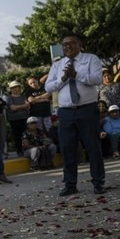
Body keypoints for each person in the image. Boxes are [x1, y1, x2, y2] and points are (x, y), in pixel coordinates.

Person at [44, 33, 105, 196]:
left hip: (87, 109)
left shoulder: (91, 59)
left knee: (93, 147)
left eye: (71, 43)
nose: (67, 46)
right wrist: (63, 78)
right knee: (67, 148)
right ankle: (70, 184)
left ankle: (98, 182)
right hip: (65, 112)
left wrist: (76, 75)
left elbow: (97, 79)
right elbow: (48, 87)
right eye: (64, 45)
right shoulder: (58, 65)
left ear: (80, 44)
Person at [5, 80, 30, 156]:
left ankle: (26, 149)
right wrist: (23, 106)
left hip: (25, 118)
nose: (14, 89)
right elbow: (13, 108)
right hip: (14, 120)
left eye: (16, 87)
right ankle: (19, 150)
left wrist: (19, 107)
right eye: (12, 88)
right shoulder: (9, 98)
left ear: (19, 88)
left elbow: (28, 106)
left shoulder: (23, 96)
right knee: (17, 136)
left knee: (26, 135)